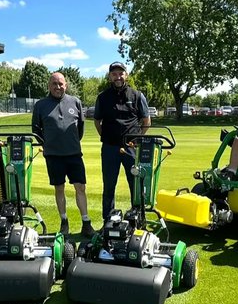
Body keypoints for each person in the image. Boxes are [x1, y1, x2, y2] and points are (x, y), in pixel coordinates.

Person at [32, 72, 94, 238]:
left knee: (80, 187)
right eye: (54, 84)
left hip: (74, 154)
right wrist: (49, 146)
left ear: (65, 85)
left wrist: (71, 142)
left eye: (60, 84)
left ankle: (86, 223)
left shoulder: (75, 102)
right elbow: (36, 131)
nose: (58, 87)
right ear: (49, 86)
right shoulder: (40, 105)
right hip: (53, 156)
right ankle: (64, 221)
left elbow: (80, 128)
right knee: (59, 188)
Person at [93, 61, 151, 221]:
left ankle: (138, 219)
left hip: (131, 148)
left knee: (136, 185)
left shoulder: (137, 95)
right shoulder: (103, 97)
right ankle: (107, 221)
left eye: (121, 73)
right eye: (114, 74)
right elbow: (97, 121)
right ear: (110, 76)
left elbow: (147, 121)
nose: (118, 77)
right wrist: (105, 136)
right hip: (110, 148)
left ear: (126, 75)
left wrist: (137, 139)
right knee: (109, 186)